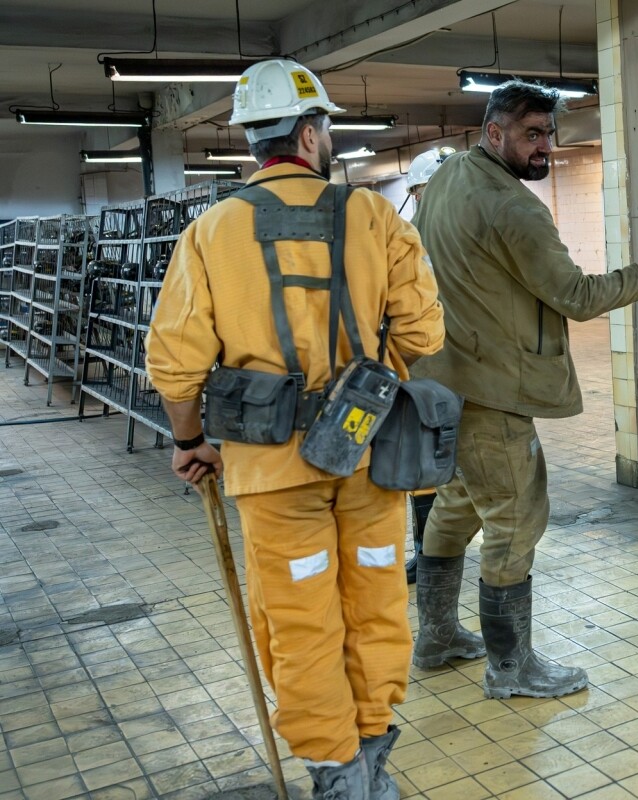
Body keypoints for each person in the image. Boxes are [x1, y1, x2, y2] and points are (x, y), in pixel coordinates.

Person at [145, 59, 444, 799]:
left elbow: (176, 366)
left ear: (255, 139)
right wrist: (363, 374)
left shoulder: (210, 233)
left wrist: (189, 442)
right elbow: (423, 332)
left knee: (300, 618)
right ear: (310, 134)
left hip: (271, 469)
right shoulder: (374, 217)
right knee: (375, 603)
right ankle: (373, 757)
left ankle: (337, 776)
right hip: (368, 456)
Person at [409, 79, 638, 699]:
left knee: (457, 505)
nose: (543, 147)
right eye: (531, 135)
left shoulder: (447, 178)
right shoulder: (515, 208)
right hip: (492, 390)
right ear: (494, 132)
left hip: (441, 382)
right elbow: (577, 296)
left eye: (547, 134)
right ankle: (511, 668)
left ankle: (437, 637)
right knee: (515, 518)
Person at [400, 145, 455, 585]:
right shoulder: (406, 240)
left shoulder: (472, 230)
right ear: (417, 193)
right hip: (429, 366)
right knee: (426, 463)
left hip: (453, 366)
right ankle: (429, 552)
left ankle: (435, 552)